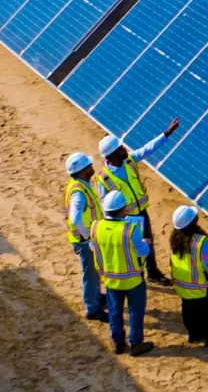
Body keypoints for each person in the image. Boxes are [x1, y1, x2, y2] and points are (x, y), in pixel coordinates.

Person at [95, 118, 181, 287]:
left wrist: (167, 133)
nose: (124, 149)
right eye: (120, 148)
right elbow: (104, 204)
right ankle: (135, 275)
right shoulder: (103, 178)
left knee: (147, 243)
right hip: (125, 219)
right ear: (112, 155)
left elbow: (147, 149)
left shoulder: (129, 161)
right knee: (131, 247)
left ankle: (152, 273)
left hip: (141, 212)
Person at [89, 191, 154, 356]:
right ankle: (136, 343)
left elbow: (94, 247)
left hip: (110, 279)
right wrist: (145, 243)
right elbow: (143, 252)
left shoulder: (96, 227)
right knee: (135, 312)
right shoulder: (130, 229)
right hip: (133, 279)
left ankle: (118, 342)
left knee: (115, 311)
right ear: (122, 209)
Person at [169, 205, 208, 347]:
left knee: (188, 311)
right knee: (206, 313)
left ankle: (194, 335)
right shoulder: (201, 242)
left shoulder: (175, 238)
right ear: (193, 222)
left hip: (182, 286)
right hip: (201, 287)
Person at [64, 152, 108, 322]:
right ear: (82, 171)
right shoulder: (79, 192)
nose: (92, 167)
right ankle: (92, 309)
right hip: (84, 242)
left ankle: (96, 297)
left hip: (84, 240)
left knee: (94, 272)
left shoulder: (79, 185)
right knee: (91, 275)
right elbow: (75, 218)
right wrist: (88, 238)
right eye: (88, 166)